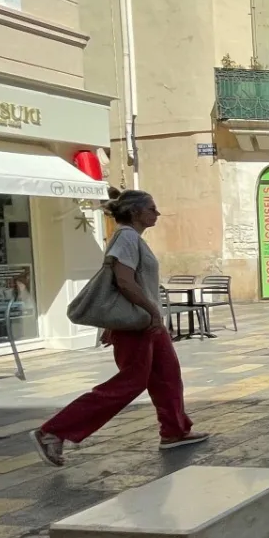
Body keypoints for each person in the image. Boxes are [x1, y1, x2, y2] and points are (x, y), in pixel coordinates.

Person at [31, 190, 208, 467]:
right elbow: (123, 281)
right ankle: (53, 431)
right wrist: (151, 311)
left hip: (146, 322)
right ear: (136, 212)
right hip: (139, 323)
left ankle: (174, 431)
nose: (157, 213)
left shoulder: (132, 238)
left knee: (167, 375)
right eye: (152, 208)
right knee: (130, 382)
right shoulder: (126, 237)